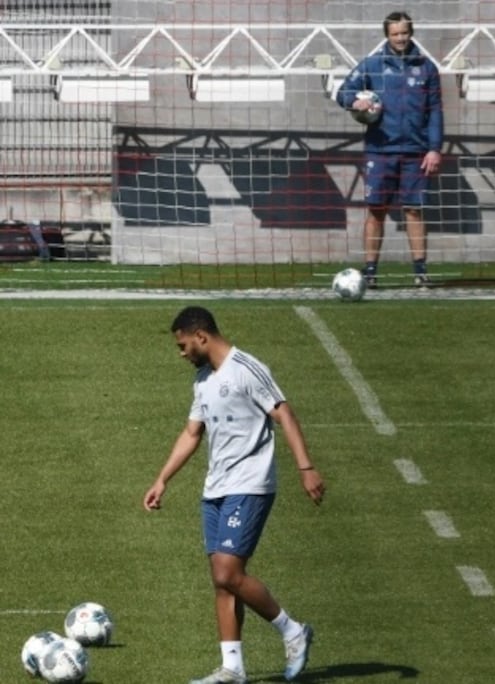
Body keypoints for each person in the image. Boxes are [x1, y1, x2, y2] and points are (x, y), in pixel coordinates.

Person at [143, 306, 326, 684]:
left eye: (182, 345)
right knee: (221, 578)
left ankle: (292, 631)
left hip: (250, 484)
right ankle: (232, 668)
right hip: (216, 489)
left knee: (229, 570)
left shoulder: (246, 369)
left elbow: (285, 415)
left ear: (201, 336)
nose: (181, 353)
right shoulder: (203, 379)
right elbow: (193, 433)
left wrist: (306, 468)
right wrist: (163, 479)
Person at [336, 11, 444, 288]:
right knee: (376, 210)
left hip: (416, 152)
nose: (400, 38)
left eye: (404, 33)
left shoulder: (426, 68)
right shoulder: (372, 65)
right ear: (387, 35)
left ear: (411, 32)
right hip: (379, 150)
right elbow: (343, 92)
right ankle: (370, 272)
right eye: (395, 34)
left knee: (414, 209)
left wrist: (434, 148)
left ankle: (420, 271)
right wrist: (354, 101)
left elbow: (435, 112)